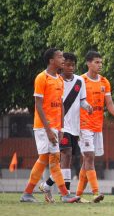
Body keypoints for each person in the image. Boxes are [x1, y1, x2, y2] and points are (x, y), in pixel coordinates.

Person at [19, 48, 79, 203]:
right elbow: (38, 106)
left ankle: (27, 193)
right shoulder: (41, 78)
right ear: (51, 61)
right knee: (53, 160)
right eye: (60, 57)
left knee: (47, 159)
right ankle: (65, 195)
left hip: (55, 127)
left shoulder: (59, 79)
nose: (63, 59)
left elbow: (60, 106)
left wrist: (61, 128)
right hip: (43, 127)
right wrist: (48, 130)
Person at [39, 52, 93, 202]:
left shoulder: (79, 81)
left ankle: (47, 184)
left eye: (73, 65)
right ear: (62, 66)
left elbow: (82, 100)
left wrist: (87, 106)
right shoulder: (57, 81)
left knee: (68, 159)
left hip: (75, 126)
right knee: (66, 154)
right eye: (67, 64)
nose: (70, 67)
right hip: (61, 126)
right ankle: (66, 193)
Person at [75, 51, 114, 203]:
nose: (100, 65)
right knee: (89, 156)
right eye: (96, 62)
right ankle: (96, 192)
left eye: (101, 62)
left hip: (97, 126)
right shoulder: (80, 80)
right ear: (88, 63)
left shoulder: (104, 82)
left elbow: (108, 103)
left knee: (88, 160)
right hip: (83, 125)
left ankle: (77, 195)